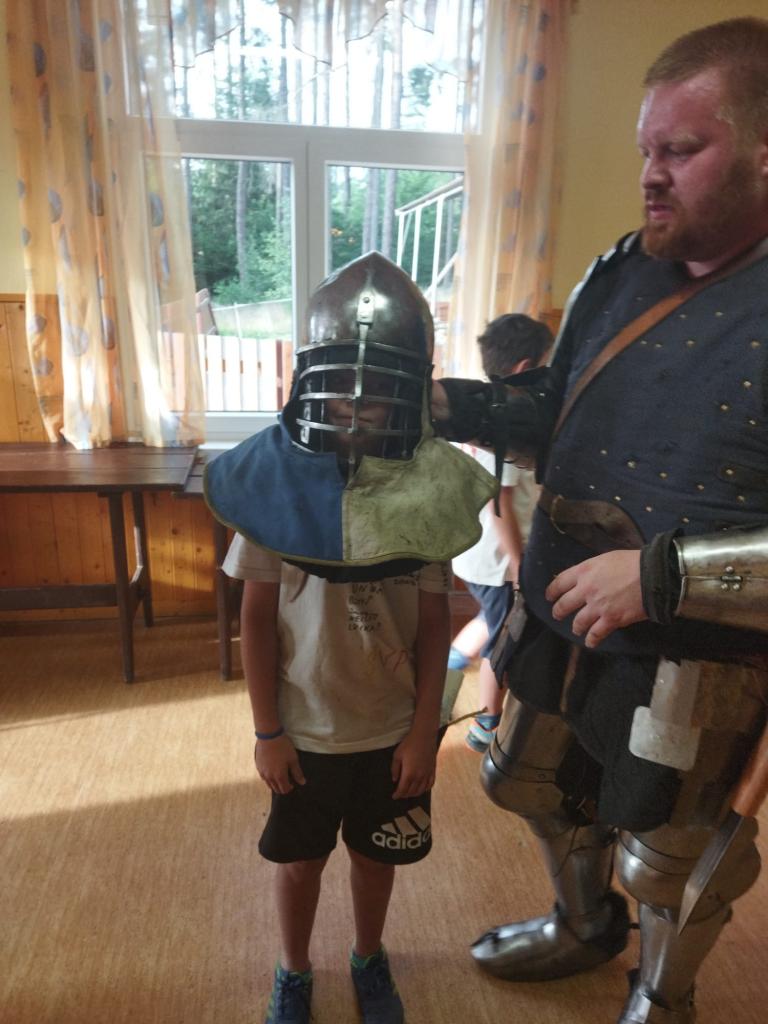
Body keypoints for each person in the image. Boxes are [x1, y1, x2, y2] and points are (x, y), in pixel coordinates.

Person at [431, 17, 768, 1024]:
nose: (651, 176)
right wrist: (437, 403)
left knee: (665, 852)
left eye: (681, 150)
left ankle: (664, 996)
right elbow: (550, 411)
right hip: (559, 602)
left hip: (695, 647)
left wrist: (662, 576)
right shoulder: (621, 270)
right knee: (530, 780)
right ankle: (581, 924)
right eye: (645, 151)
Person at [206, 252, 496, 1024]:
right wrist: (267, 731)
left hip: (389, 729)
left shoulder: (429, 494)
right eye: (344, 387)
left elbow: (434, 626)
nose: (359, 407)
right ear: (313, 379)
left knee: (376, 857)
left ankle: (369, 956)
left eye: (379, 390)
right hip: (306, 728)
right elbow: (256, 621)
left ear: (411, 389)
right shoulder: (272, 491)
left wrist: (424, 732)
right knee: (299, 862)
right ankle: (294, 968)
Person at [449, 314, 552, 752]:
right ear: (527, 367)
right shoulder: (512, 419)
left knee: (492, 618)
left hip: (473, 553)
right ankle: (486, 724)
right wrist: (518, 562)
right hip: (497, 559)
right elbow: (500, 504)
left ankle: (452, 661)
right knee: (504, 640)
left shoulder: (479, 408)